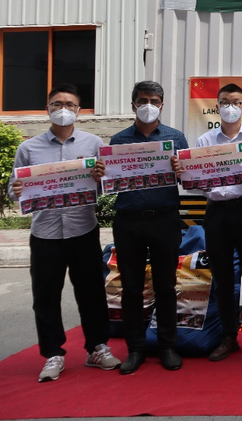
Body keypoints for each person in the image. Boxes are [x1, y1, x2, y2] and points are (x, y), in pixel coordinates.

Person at [10, 84, 120, 382]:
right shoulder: (28, 148)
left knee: (91, 292)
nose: (63, 109)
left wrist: (100, 178)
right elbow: (13, 189)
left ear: (78, 111)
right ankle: (53, 354)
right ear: (47, 109)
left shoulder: (93, 143)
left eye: (69, 104)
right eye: (57, 104)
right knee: (45, 296)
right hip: (45, 233)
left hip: (83, 229)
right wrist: (16, 190)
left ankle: (97, 348)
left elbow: (105, 185)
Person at [183, 84, 242, 362]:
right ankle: (228, 336)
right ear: (217, 106)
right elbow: (195, 182)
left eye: (236, 102)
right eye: (225, 102)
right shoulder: (205, 141)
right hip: (216, 211)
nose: (230, 107)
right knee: (221, 278)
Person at [109, 80, 189, 374]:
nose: (148, 106)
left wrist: (182, 170)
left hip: (164, 219)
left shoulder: (175, 137)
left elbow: (189, 179)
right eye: (143, 100)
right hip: (128, 220)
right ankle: (136, 349)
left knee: (166, 285)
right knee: (131, 288)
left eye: (154, 101)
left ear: (162, 105)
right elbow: (109, 181)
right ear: (133, 105)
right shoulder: (118, 140)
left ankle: (167, 346)